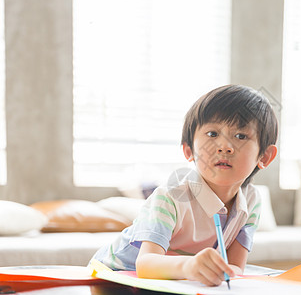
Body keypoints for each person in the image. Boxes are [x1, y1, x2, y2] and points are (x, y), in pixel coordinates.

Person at [91, 84, 278, 287]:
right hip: (112, 276)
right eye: (212, 134)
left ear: (264, 156)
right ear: (189, 150)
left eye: (241, 136)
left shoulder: (252, 201)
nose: (225, 146)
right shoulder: (171, 196)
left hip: (173, 283)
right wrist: (190, 266)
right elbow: (145, 264)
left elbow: (233, 267)